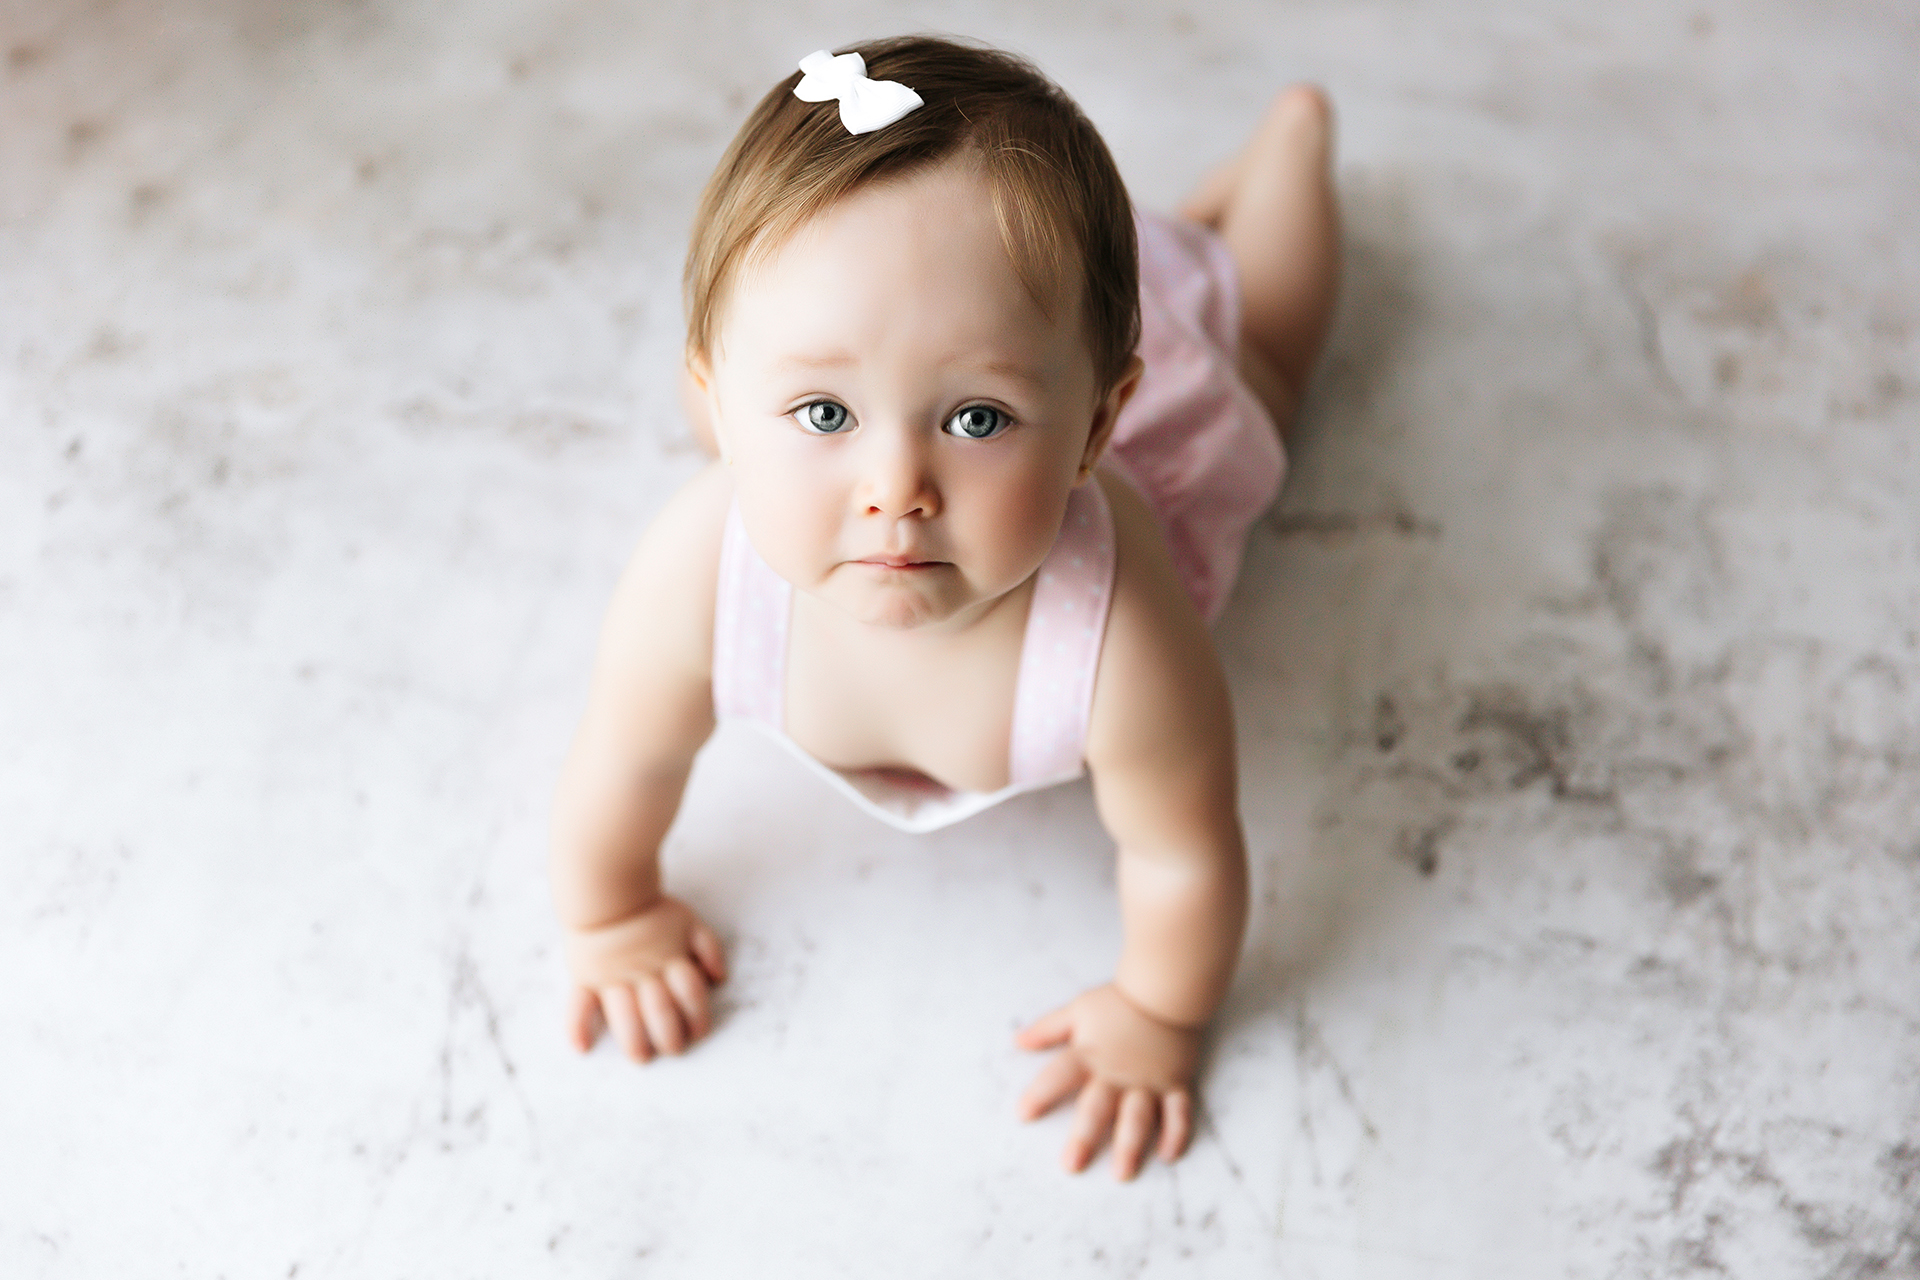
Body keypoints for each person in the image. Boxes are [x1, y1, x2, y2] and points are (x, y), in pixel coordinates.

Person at [550, 35, 1340, 1182]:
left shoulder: (1121, 639)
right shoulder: (699, 566)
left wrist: (1161, 1013)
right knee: (1108, 279)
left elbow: (1183, 851)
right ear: (712, 402)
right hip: (1017, 333)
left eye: (976, 420)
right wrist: (611, 913)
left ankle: (1291, 146)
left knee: (1256, 339)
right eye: (822, 413)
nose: (896, 491)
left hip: (1172, 398)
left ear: (1096, 426)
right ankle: (1157, 247)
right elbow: (621, 761)